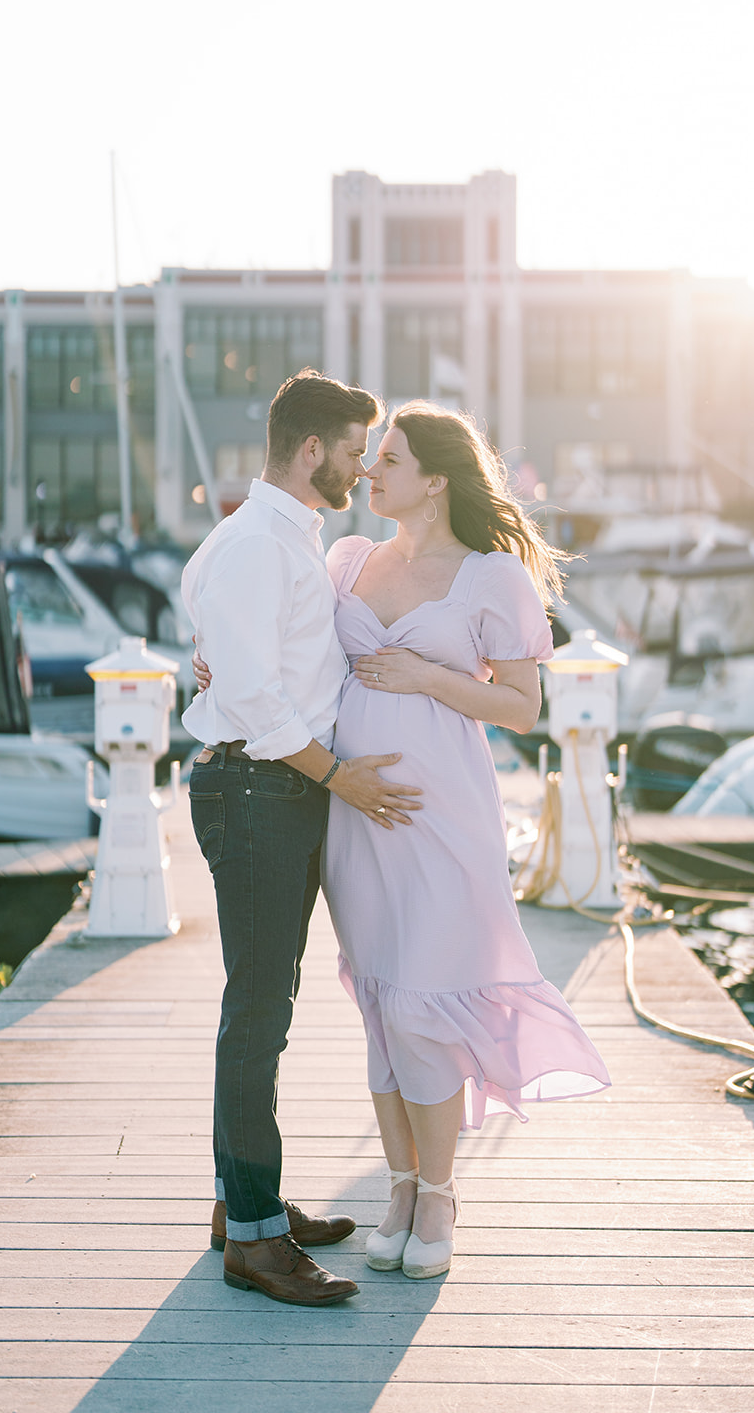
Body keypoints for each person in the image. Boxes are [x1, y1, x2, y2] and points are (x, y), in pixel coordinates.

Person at [321, 401, 611, 1281]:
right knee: (381, 1003)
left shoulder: (491, 577)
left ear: (437, 479)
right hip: (353, 816)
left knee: (425, 1002)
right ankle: (401, 1187)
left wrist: (426, 676)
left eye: (388, 459)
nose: (369, 470)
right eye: (371, 457)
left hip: (442, 818)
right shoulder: (348, 560)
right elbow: (304, 661)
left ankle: (439, 1194)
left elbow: (521, 707)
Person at [180, 370, 422, 1309]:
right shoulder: (257, 542)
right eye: (356, 451)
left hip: (272, 789)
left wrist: (212, 658)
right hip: (259, 790)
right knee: (256, 1016)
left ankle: (242, 1204)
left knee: (264, 1008)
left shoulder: (273, 536)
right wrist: (337, 776)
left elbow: (215, 622)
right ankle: (254, 1240)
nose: (362, 468)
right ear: (312, 448)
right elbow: (249, 693)